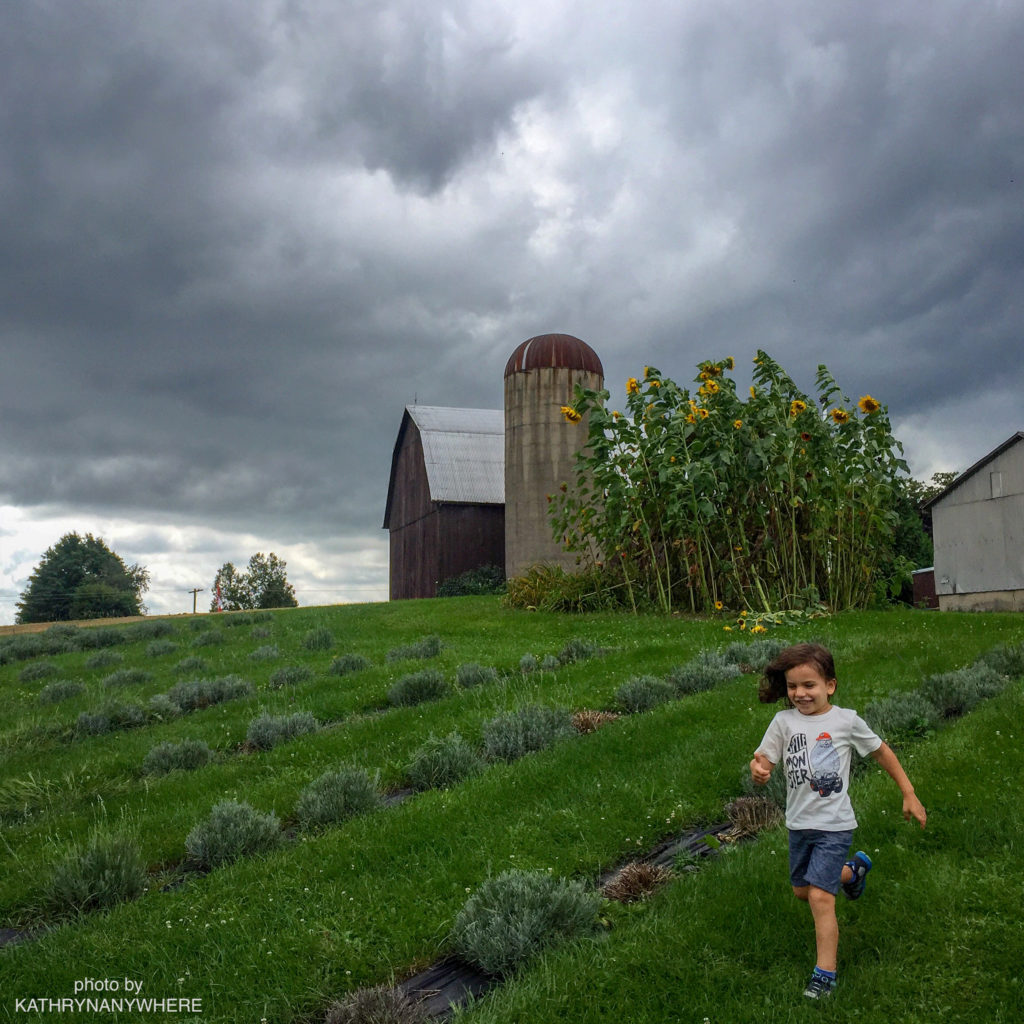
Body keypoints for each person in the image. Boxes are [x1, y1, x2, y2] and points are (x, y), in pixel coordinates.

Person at [749, 642, 927, 1000]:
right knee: (802, 890)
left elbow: (882, 751)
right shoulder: (783, 722)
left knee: (819, 896)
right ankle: (852, 873)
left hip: (835, 825)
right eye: (792, 686)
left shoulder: (845, 721)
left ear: (829, 685)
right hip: (799, 824)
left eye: (809, 685)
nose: (800, 693)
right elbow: (763, 758)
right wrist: (760, 770)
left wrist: (909, 793)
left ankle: (824, 974)